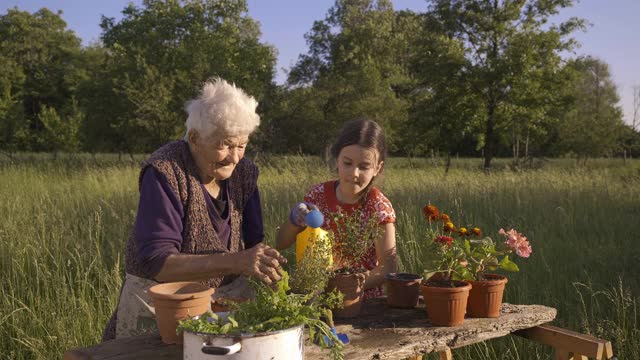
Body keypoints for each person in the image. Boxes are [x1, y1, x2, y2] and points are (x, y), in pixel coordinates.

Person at [102, 78, 286, 340]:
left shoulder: (245, 173)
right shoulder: (166, 171)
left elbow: (254, 245)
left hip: (224, 303)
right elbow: (157, 263)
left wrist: (270, 272)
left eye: (242, 145)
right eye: (225, 145)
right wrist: (237, 261)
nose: (234, 157)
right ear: (195, 138)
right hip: (160, 304)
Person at [276, 119, 397, 298]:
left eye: (364, 167)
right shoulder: (317, 195)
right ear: (337, 160)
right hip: (316, 297)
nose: (354, 173)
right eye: (347, 163)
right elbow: (281, 243)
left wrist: (342, 287)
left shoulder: (378, 207)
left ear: (377, 168)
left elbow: (387, 268)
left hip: (361, 301)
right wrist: (294, 221)